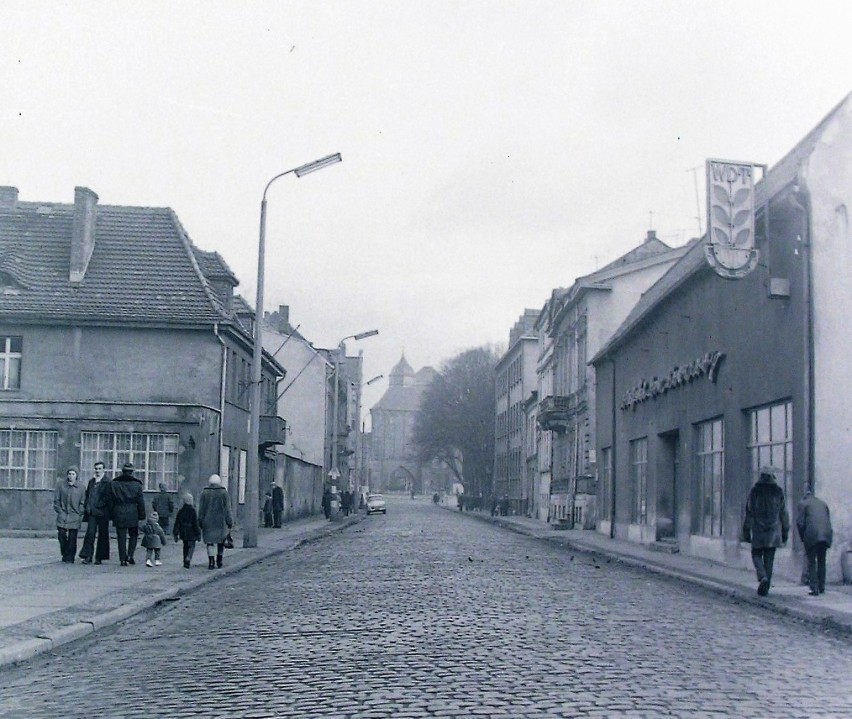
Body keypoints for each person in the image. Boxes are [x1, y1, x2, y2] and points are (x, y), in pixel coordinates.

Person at [742, 466, 790, 596]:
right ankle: (766, 586)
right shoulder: (778, 491)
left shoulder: (755, 491)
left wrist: (746, 532)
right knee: (769, 559)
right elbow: (784, 514)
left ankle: (762, 576)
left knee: (756, 554)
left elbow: (749, 512)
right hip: (773, 531)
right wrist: (785, 532)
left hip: (758, 529)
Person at [796, 489, 833, 596]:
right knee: (822, 560)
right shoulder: (822, 503)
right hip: (826, 534)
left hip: (812, 534)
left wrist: (803, 537)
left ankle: (814, 588)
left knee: (811, 561)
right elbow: (827, 519)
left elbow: (800, 523)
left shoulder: (803, 504)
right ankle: (822, 586)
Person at [110, 462, 146, 566]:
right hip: (132, 511)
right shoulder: (137, 484)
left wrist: (111, 514)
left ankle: (122, 559)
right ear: (132, 472)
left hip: (119, 510)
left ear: (122, 471)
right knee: (133, 535)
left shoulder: (114, 483)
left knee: (121, 536)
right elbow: (140, 502)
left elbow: (110, 500)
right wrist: (142, 514)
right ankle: (130, 555)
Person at [198, 474, 233, 570]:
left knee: (210, 542)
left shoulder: (204, 493)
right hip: (220, 522)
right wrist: (229, 521)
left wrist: (200, 521)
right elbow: (227, 509)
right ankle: (219, 560)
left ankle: (211, 562)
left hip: (207, 522)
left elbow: (201, 509)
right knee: (221, 542)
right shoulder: (223, 493)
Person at [79, 461, 111, 564]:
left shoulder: (108, 482)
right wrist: (87, 505)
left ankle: (99, 557)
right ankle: (88, 556)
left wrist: (98, 505)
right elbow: (88, 494)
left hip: (102, 512)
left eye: (99, 469)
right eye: (96, 468)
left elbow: (108, 497)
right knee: (90, 534)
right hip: (92, 512)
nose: (97, 471)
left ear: (103, 470)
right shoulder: (91, 482)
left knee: (102, 534)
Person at [54, 466, 86, 563]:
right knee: (61, 535)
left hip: (74, 515)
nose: (71, 476)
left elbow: (83, 502)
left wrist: (80, 511)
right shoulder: (61, 486)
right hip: (63, 515)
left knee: (72, 538)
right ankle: (65, 552)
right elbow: (56, 500)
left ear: (76, 476)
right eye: (69, 474)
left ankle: (70, 557)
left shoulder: (81, 487)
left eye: (73, 474)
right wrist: (60, 511)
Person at [173, 492, 202, 569]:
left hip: (183, 531)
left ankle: (185, 562)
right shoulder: (193, 511)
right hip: (191, 531)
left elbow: (177, 523)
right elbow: (195, 523)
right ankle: (189, 557)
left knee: (185, 546)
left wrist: (176, 533)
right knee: (191, 546)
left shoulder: (181, 511)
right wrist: (198, 534)